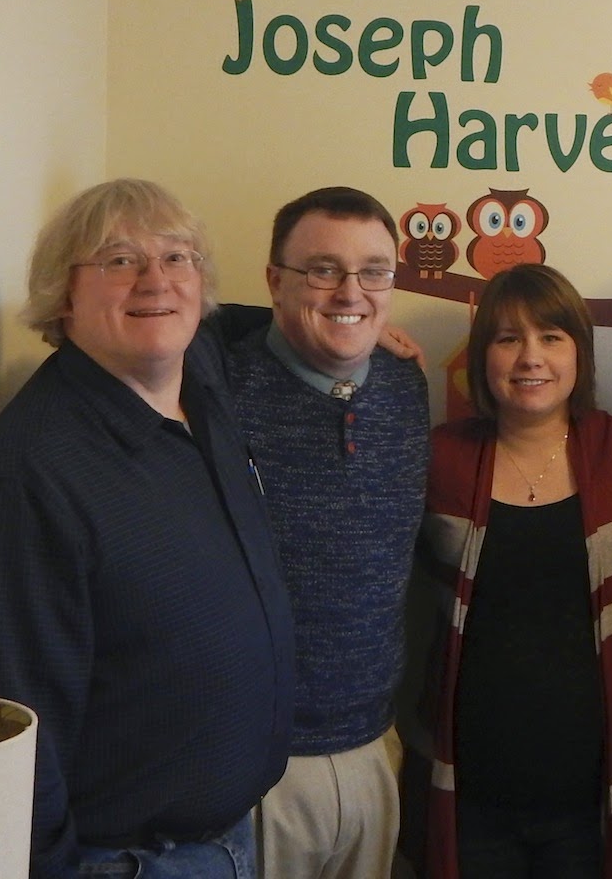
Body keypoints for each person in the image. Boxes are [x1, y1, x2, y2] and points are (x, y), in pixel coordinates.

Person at [0, 179, 293, 879]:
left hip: (228, 839)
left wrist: (351, 320)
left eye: (177, 257)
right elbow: (8, 737)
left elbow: (254, 317)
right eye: (119, 260)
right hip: (127, 861)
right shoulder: (24, 481)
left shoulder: (200, 390)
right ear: (63, 295)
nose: (157, 280)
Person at [403, 263, 612, 879]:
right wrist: (374, 362)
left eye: (551, 336)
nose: (530, 357)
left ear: (580, 353)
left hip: (590, 802)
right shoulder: (440, 458)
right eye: (508, 337)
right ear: (482, 356)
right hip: (470, 796)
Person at [227, 186, 430, 879]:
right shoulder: (212, 387)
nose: (351, 291)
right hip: (256, 762)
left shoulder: (406, 386)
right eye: (322, 269)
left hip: (376, 745)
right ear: (273, 281)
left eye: (373, 272)